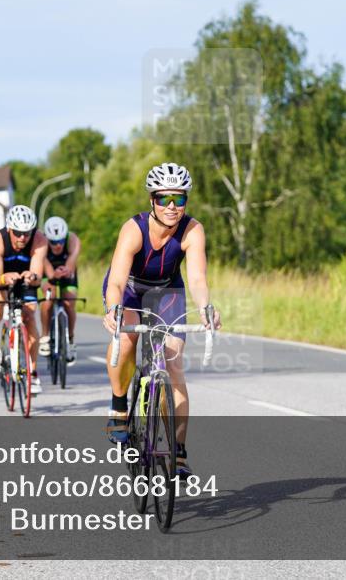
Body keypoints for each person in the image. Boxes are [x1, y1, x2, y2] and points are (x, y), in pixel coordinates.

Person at [102, 162, 220, 478]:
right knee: (126, 339)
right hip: (128, 288)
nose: (172, 207)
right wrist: (113, 309)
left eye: (179, 199)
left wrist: (206, 307)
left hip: (167, 290)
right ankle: (119, 407)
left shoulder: (193, 230)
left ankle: (178, 452)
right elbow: (115, 281)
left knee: (174, 361)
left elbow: (197, 278)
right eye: (164, 198)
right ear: (152, 200)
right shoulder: (133, 229)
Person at [0, 205, 47, 394]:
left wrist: (32, 277)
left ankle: (33, 373)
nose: (22, 238)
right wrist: (4, 278)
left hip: (24, 273)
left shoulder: (39, 239)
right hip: (0, 272)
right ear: (10, 229)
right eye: (18, 232)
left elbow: (37, 276)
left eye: (26, 233)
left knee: (29, 315)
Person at [39, 216, 81, 364]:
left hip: (66, 270)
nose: (58, 245)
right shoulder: (41, 241)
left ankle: (70, 338)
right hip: (48, 270)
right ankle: (44, 336)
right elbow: (46, 268)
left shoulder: (73, 240)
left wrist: (66, 270)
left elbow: (71, 263)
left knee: (69, 303)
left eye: (61, 241)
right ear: (47, 239)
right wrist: (52, 276)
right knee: (49, 297)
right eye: (54, 242)